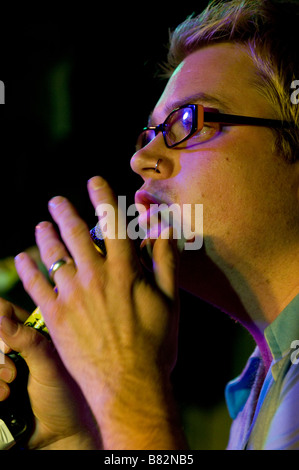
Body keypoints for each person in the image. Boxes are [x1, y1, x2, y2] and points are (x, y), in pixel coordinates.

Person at [1, 0, 299, 450]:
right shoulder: (261, 385)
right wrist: (72, 437)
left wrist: (128, 382)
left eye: (189, 121)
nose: (141, 160)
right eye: (150, 135)